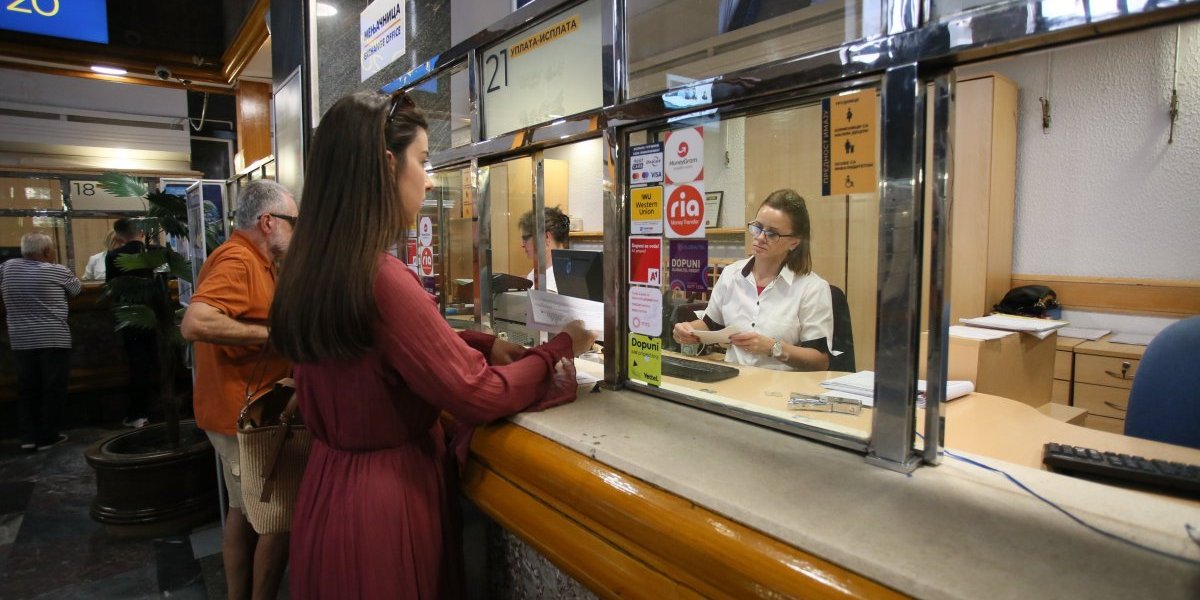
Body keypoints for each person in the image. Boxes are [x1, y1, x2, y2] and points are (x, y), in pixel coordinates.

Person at [269, 90, 595, 599]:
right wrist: (557, 350)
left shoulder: (312, 269)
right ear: (385, 164)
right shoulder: (381, 277)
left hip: (328, 489)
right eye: (422, 161)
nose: (427, 176)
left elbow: (375, 352)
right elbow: (478, 394)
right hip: (385, 505)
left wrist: (481, 342)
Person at [180, 179, 297, 600]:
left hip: (246, 414)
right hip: (240, 417)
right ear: (268, 222)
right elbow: (195, 323)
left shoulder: (259, 262)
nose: (296, 231)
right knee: (277, 519)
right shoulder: (237, 260)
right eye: (293, 222)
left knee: (242, 512)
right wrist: (269, 335)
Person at [673, 189, 833, 371]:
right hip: (732, 379)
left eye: (772, 234)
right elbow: (710, 324)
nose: (760, 237)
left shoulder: (813, 288)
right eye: (757, 227)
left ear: (794, 242)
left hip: (779, 391)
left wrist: (773, 348)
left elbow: (820, 361)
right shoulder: (731, 275)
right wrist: (687, 331)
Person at [0, 233, 82, 451]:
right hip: (53, 338)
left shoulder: (7, 268)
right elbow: (76, 290)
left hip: (21, 339)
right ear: (47, 252)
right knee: (53, 388)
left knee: (27, 388)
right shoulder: (57, 270)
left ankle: (28, 437)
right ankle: (48, 436)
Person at [106, 218, 155, 428]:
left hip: (129, 316)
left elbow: (112, 286)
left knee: (137, 365)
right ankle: (156, 409)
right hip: (155, 314)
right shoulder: (155, 253)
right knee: (154, 362)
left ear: (119, 237)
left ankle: (139, 413)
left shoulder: (113, 256)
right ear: (142, 232)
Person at [517, 205, 570, 292]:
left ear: (546, 238)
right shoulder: (539, 271)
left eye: (526, 238)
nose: (522, 245)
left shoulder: (558, 283)